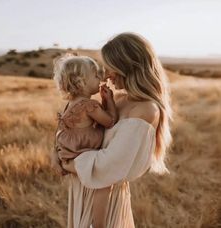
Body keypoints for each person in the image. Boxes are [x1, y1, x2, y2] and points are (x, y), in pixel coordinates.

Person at [61, 32, 172, 228]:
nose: (106, 75)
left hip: (106, 197)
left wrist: (68, 164)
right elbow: (82, 131)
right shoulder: (119, 100)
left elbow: (109, 165)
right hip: (85, 187)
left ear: (126, 66)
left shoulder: (146, 110)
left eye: (109, 67)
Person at [51, 55, 118, 228]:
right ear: (81, 82)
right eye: (96, 76)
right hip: (81, 153)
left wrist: (56, 154)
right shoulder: (90, 105)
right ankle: (99, 224)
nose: (101, 79)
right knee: (103, 183)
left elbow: (60, 131)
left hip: (68, 153)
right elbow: (110, 121)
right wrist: (108, 101)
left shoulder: (69, 104)